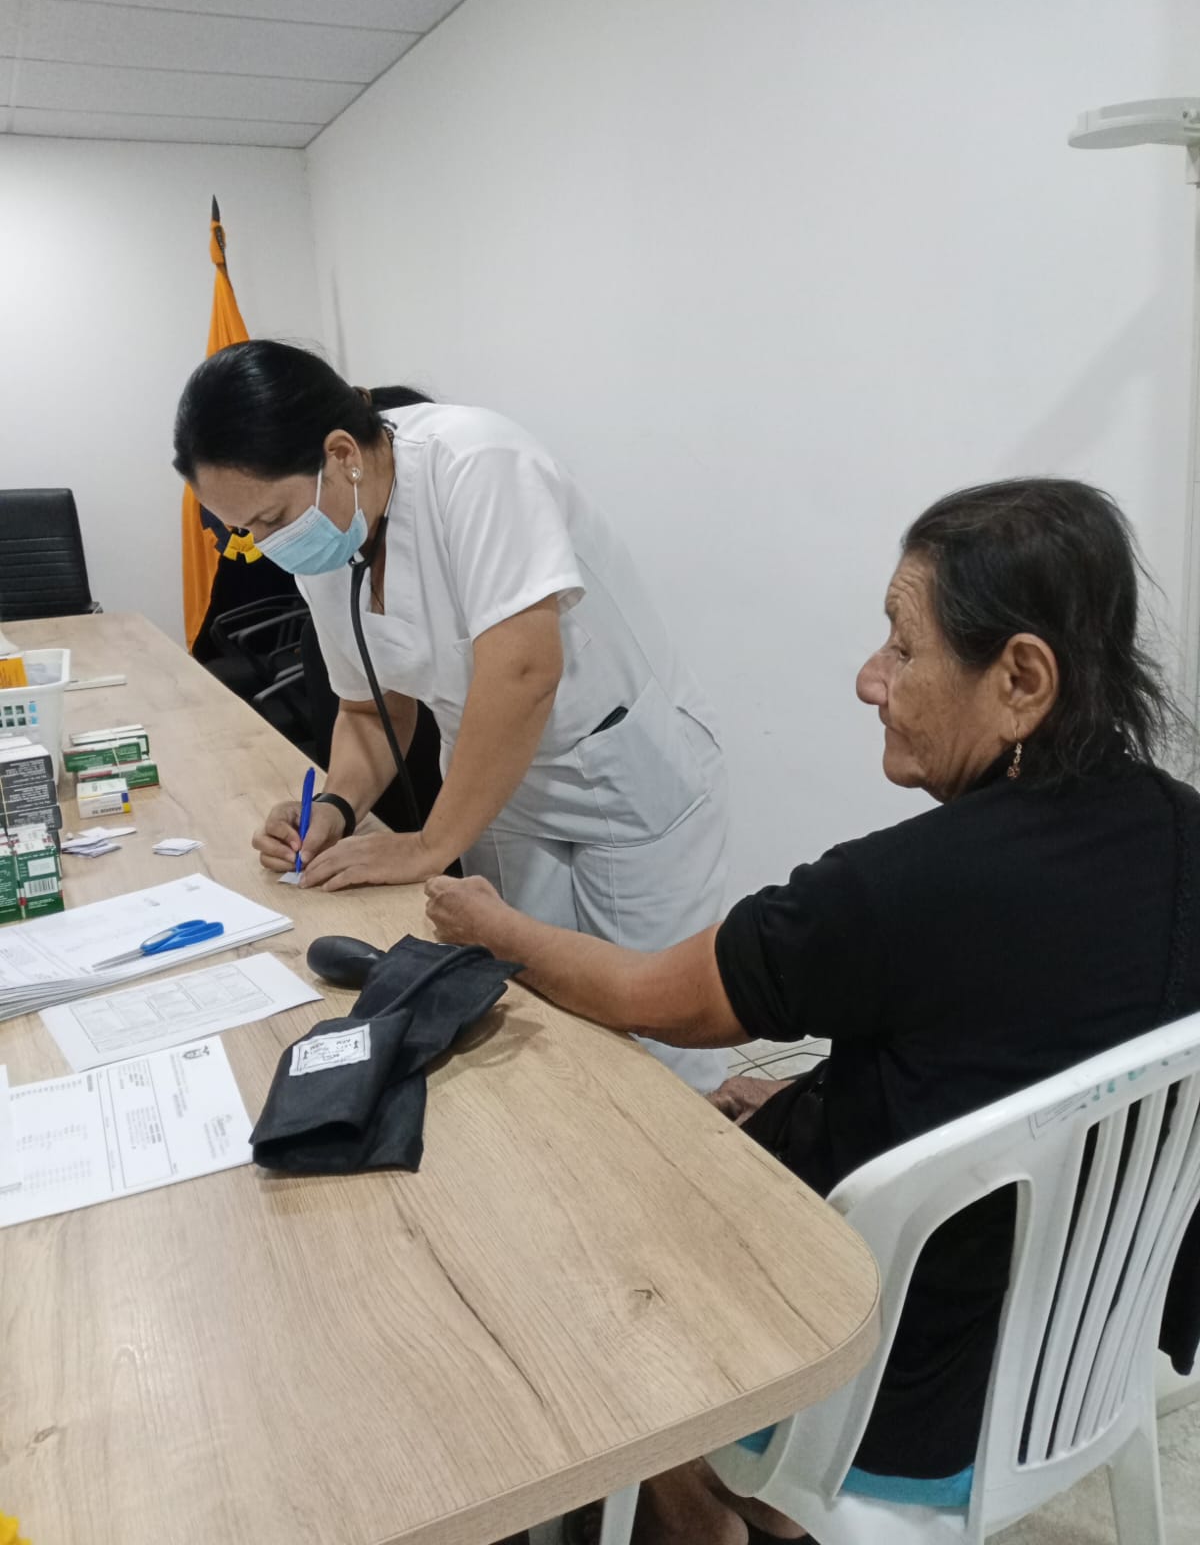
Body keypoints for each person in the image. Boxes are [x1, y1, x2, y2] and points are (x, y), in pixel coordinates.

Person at [424, 477, 1200, 1543]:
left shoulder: (891, 892)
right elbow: (1011, 1052)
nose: (870, 678)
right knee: (733, 1114)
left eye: (903, 646)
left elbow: (645, 995)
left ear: (1021, 678)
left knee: (559, 1203)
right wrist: (824, 1100)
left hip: (884, 1399)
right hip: (1078, 1359)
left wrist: (497, 927)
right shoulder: (1180, 832)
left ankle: (700, 1509)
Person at [172, 340, 728, 1093]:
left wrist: (430, 845)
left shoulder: (477, 464)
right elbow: (371, 710)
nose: (267, 546)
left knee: (655, 1044)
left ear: (341, 455)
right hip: (495, 792)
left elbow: (525, 671)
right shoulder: (327, 542)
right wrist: (336, 806)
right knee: (533, 1022)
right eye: (248, 530)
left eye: (271, 518)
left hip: (623, 781)